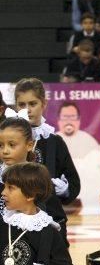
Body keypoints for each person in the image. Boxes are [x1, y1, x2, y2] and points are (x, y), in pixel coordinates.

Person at [14, 79, 81, 208]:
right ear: (16, 106)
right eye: (22, 104)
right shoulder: (6, 138)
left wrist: (65, 190)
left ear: (44, 104)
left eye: (33, 104)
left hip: (49, 214)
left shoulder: (55, 142)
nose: (27, 109)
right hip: (13, 214)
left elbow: (74, 182)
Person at [55, 102, 100, 215]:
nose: (68, 121)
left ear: (79, 120)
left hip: (88, 199)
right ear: (58, 120)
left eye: (72, 117)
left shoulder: (89, 141)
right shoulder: (52, 141)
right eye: (65, 117)